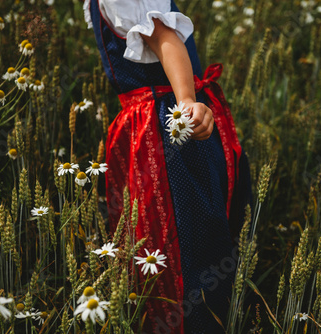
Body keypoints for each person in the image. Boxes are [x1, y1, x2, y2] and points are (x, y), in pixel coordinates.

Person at [84, 1, 251, 333]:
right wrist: (187, 99)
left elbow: (164, 37)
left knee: (187, 227)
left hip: (171, 122)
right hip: (162, 129)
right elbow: (162, 38)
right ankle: (191, 317)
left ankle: (202, 319)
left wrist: (186, 100)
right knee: (178, 229)